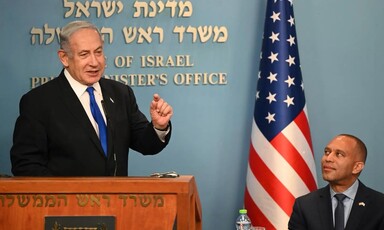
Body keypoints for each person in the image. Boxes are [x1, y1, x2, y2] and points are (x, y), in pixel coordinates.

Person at [10, 20, 173, 176]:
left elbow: (145, 144)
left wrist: (158, 127)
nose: (94, 62)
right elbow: (26, 165)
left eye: (98, 52)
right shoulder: (39, 102)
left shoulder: (120, 93)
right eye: (84, 54)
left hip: (117, 202)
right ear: (64, 58)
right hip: (67, 204)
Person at [288, 134, 384, 230]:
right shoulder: (304, 205)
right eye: (327, 152)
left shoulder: (380, 205)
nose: (328, 158)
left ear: (356, 167)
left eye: (339, 154)